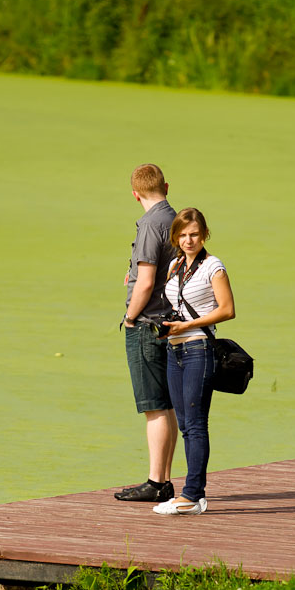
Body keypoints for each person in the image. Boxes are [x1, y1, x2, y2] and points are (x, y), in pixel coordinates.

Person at [153, 207, 235, 516]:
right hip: (174, 351)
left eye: (195, 235)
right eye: (183, 235)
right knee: (185, 424)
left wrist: (186, 326)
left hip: (199, 349)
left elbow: (227, 310)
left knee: (196, 425)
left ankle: (192, 494)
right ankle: (193, 497)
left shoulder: (213, 266)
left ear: (205, 235)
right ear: (175, 237)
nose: (189, 240)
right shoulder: (175, 266)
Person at [114, 164, 179, 503]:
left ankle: (156, 482)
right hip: (171, 324)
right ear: (166, 186)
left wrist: (129, 317)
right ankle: (164, 480)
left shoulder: (151, 225)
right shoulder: (176, 220)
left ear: (135, 193)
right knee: (167, 407)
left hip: (147, 325)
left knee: (154, 406)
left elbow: (147, 280)